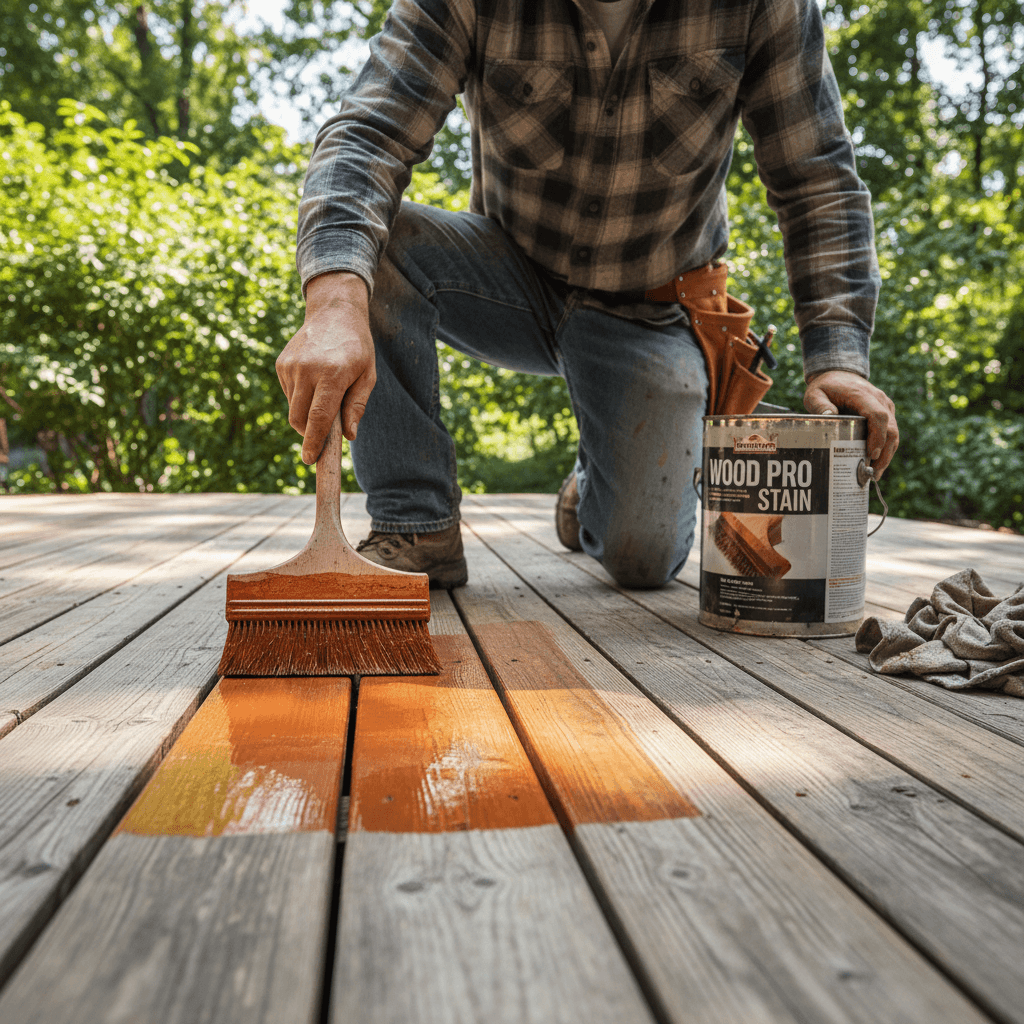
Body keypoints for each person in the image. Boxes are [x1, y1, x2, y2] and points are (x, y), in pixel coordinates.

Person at [276, 0, 899, 589]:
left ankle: (589, 483)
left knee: (642, 561)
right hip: (507, 280)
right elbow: (368, 135)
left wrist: (838, 360)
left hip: (652, 305)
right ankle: (417, 525)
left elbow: (818, 181)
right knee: (365, 252)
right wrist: (332, 306)